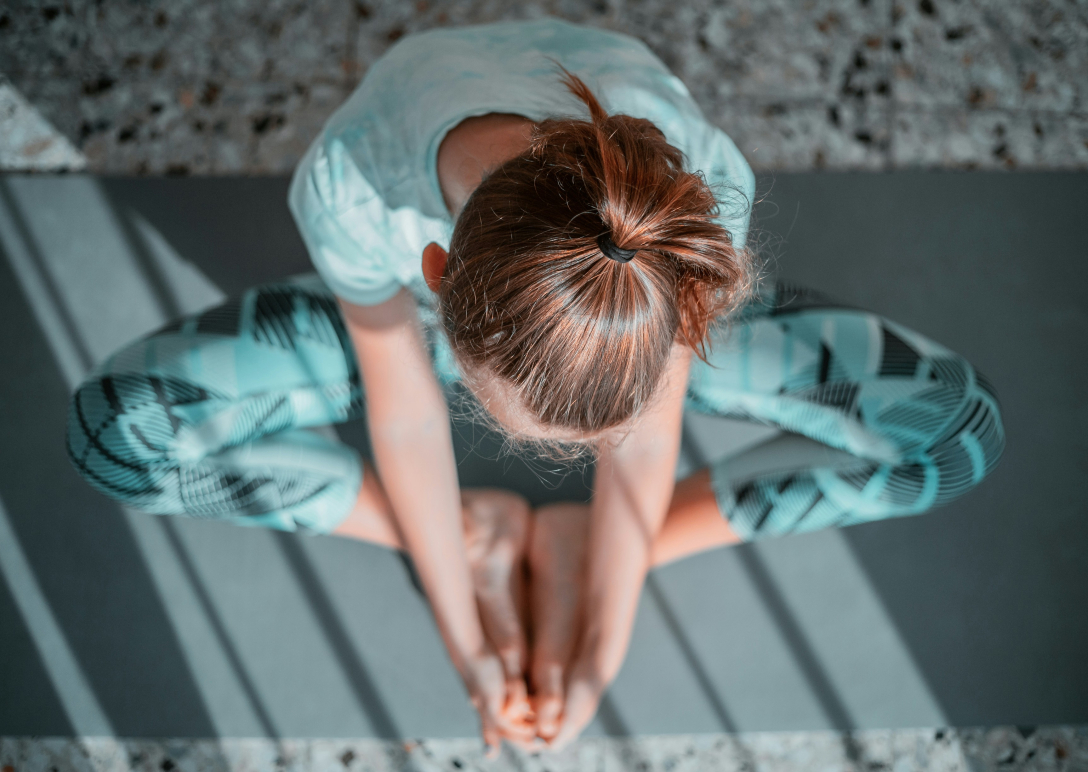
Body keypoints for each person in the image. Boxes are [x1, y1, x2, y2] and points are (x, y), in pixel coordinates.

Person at [66, 18, 1005, 754]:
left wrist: (604, 642)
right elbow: (407, 416)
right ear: (431, 270)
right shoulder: (354, 186)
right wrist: (467, 645)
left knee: (956, 432)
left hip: (631, 311)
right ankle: (470, 531)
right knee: (114, 436)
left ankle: (586, 543)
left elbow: (650, 431)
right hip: (422, 324)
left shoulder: (685, 199)